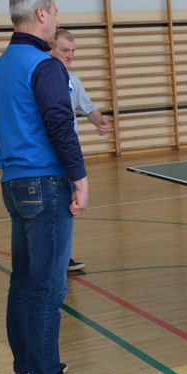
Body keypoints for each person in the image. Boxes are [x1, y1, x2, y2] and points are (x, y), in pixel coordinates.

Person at [0, 0, 97, 374]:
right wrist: (80, 179)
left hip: (14, 185)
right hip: (46, 184)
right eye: (56, 12)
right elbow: (60, 125)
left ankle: (27, 370)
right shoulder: (46, 65)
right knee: (49, 287)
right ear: (42, 14)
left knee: (24, 282)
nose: (57, 19)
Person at [49, 28, 112, 272]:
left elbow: (87, 107)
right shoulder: (42, 78)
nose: (70, 55)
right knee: (54, 208)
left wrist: (99, 121)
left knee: (66, 207)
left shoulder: (72, 80)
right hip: (48, 156)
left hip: (68, 154)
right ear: (50, 49)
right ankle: (55, 260)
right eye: (65, 50)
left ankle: (62, 257)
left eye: (73, 51)